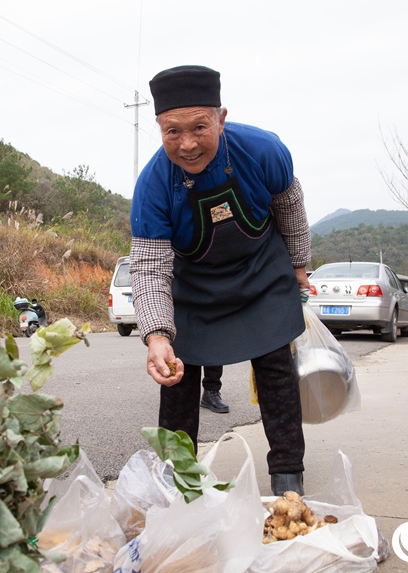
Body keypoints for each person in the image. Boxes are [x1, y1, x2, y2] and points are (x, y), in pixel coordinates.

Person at [130, 65, 311, 496]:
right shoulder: (153, 184)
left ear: (221, 118)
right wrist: (157, 335)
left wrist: (299, 265)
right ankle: (176, 481)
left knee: (276, 370)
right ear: (159, 128)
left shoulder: (264, 150)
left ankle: (288, 477)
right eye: (172, 131)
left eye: (199, 127)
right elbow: (150, 266)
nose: (187, 144)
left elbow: (289, 207)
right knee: (176, 375)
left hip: (261, 271)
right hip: (194, 286)